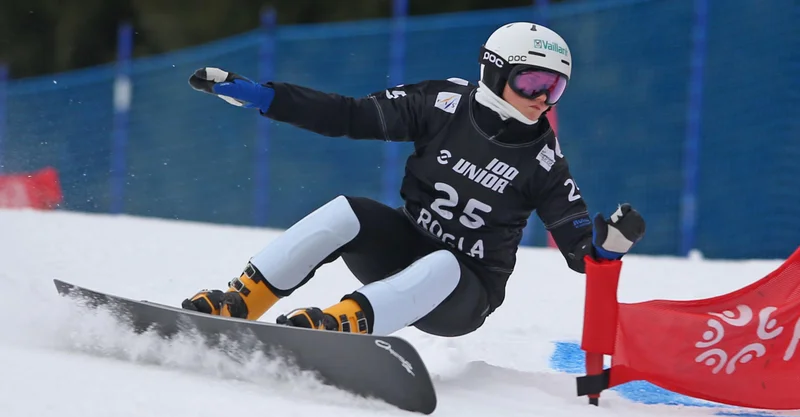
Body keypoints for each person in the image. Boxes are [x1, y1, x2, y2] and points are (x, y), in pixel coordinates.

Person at [182, 22, 646, 337]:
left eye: (556, 87)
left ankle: (342, 326)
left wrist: (607, 248)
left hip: (465, 294)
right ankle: (241, 303)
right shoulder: (443, 103)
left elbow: (580, 253)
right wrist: (267, 99)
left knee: (446, 262)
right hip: (404, 252)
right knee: (348, 210)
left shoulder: (543, 159)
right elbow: (350, 115)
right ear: (495, 71)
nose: (544, 98)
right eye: (532, 83)